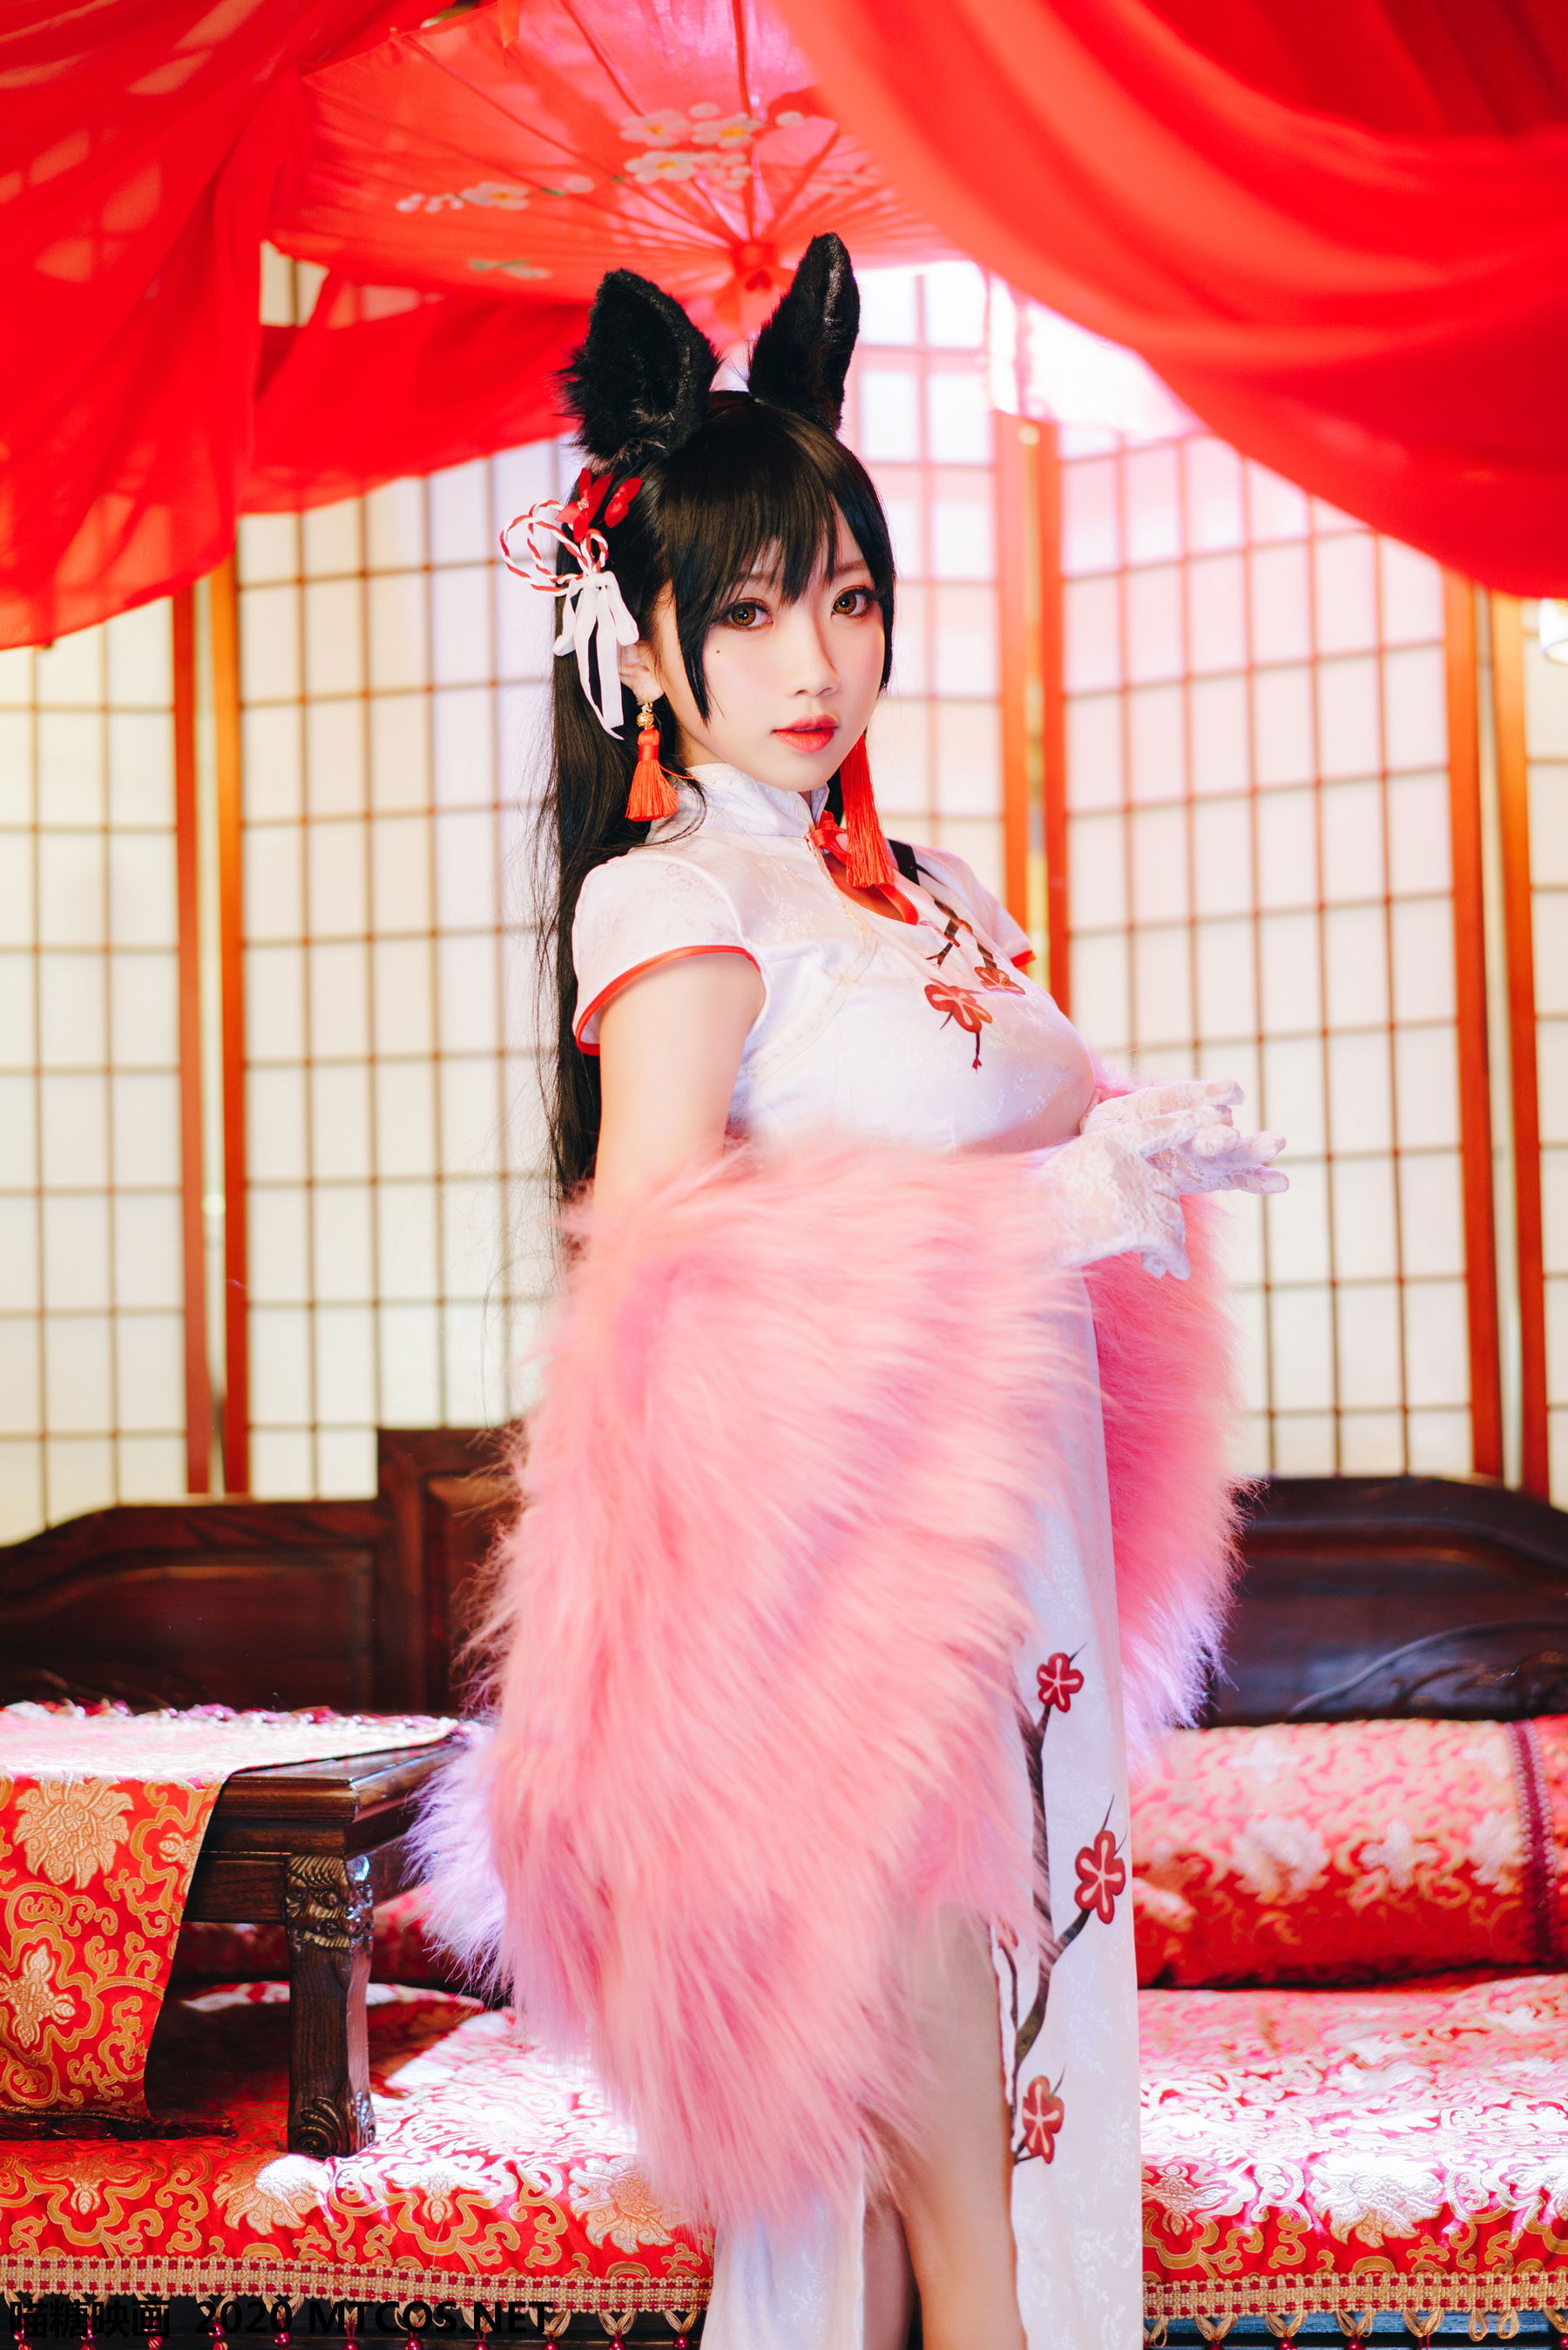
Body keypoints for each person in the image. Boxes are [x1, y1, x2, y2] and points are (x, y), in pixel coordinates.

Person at [421, 235, 1286, 2350]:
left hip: (1018, 1566)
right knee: (961, 2181)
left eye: (847, 594)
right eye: (746, 609)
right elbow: (662, 1284)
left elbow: (1008, 1147)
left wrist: (1137, 1154)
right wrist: (1054, 1207)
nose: (814, 656)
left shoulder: (933, 892)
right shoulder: (678, 897)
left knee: (1008, 2142)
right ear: (644, 637)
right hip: (838, 1627)